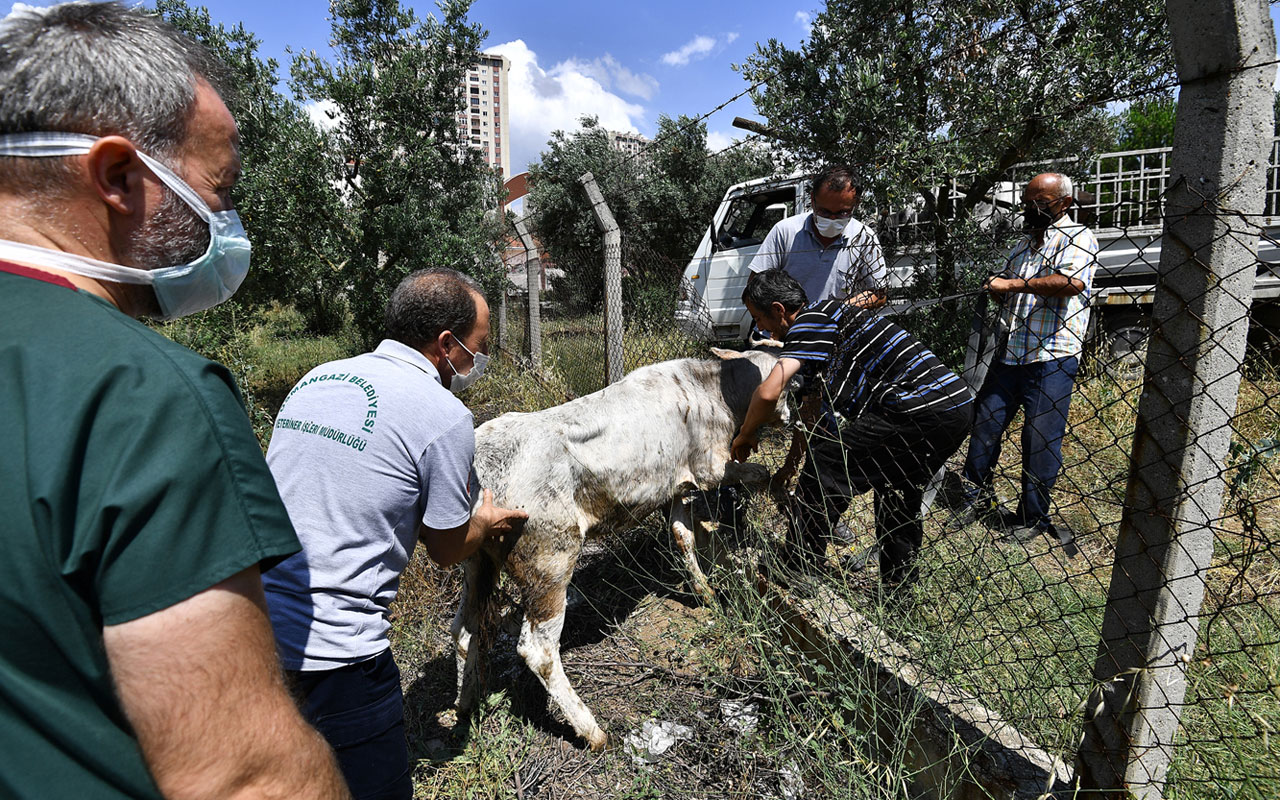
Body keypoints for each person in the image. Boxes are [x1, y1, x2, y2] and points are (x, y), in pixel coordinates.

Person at [0, 3, 349, 798]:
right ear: (120, 177)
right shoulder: (142, 397)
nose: (225, 222)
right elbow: (241, 777)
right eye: (218, 188)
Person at [263, 268, 528, 800]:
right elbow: (446, 548)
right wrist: (484, 523)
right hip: (340, 656)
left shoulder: (318, 376)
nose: (477, 363)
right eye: (477, 349)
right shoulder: (443, 414)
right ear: (446, 344)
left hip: (253, 632)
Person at [731, 269, 974, 593]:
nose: (760, 328)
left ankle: (798, 567)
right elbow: (814, 415)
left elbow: (768, 392)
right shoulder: (830, 323)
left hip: (916, 405)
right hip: (954, 408)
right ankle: (898, 591)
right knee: (896, 491)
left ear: (778, 309)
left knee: (826, 469)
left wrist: (746, 434)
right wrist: (792, 462)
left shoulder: (810, 321)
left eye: (759, 318)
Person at [957, 173, 1099, 543]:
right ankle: (976, 497)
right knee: (985, 424)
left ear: (1064, 203)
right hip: (1013, 352)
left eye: (1041, 202)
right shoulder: (1022, 248)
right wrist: (997, 290)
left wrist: (1012, 285)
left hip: (1052, 356)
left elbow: (1070, 284)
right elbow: (1010, 291)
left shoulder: (1078, 238)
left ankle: (1032, 517)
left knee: (1039, 439)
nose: (1030, 209)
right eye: (1027, 201)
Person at [748, 163, 888, 311]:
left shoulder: (864, 238)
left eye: (842, 213)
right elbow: (755, 287)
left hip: (833, 327)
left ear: (856, 204)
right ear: (812, 201)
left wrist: (836, 311)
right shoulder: (785, 231)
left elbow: (879, 294)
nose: (832, 219)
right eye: (825, 212)